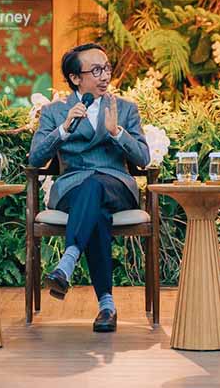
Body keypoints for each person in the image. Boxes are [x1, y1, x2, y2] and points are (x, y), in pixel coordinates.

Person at [30, 43, 151, 333]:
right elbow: (35, 158)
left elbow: (143, 158)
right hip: (72, 187)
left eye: (106, 68)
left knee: (95, 186)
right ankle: (107, 306)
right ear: (75, 78)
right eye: (96, 70)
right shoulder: (55, 112)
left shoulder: (124, 108)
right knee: (94, 209)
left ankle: (67, 262)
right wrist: (63, 129)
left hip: (116, 185)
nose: (105, 76)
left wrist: (117, 132)